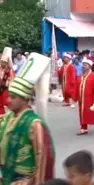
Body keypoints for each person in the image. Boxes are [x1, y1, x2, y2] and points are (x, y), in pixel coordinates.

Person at [0, 53, 55, 185]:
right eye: (9, 96)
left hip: (23, 180)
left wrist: (32, 181)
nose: (8, 100)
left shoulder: (34, 123)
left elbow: (43, 158)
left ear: (25, 99)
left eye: (13, 97)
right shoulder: (7, 118)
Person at [74, 59, 94, 135]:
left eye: (85, 65)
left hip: (91, 99)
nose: (83, 66)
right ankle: (84, 129)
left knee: (93, 113)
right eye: (83, 64)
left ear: (89, 66)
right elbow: (77, 87)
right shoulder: (80, 76)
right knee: (82, 113)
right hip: (82, 99)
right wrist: (75, 97)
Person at [0, 47, 15, 115]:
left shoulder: (10, 71)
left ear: (7, 63)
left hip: (5, 90)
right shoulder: (0, 68)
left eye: (3, 62)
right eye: (1, 62)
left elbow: (12, 80)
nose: (2, 63)